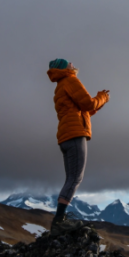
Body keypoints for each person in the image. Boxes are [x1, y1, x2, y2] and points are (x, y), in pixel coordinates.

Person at [46, 58, 109, 228]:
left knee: (71, 178)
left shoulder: (60, 87)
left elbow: (81, 110)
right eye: (69, 63)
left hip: (65, 136)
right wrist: (102, 97)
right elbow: (88, 103)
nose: (73, 64)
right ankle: (59, 221)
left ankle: (60, 218)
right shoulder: (71, 80)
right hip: (75, 135)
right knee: (75, 178)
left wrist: (98, 104)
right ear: (64, 68)